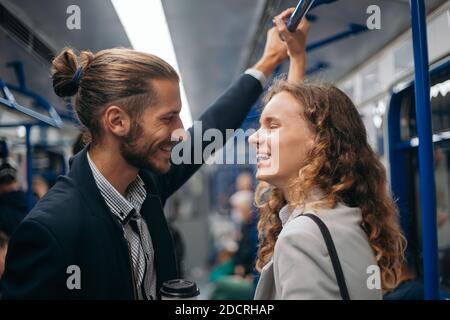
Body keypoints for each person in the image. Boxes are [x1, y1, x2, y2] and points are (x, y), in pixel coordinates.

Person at [1, 24, 292, 299]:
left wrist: (267, 62)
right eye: (168, 118)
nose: (180, 133)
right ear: (117, 121)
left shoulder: (147, 183)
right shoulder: (49, 231)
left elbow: (208, 132)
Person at [249, 8, 405, 300]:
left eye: (271, 126)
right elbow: (296, 118)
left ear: (318, 142)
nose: (254, 138)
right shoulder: (348, 216)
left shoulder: (301, 237)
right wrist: (297, 59)